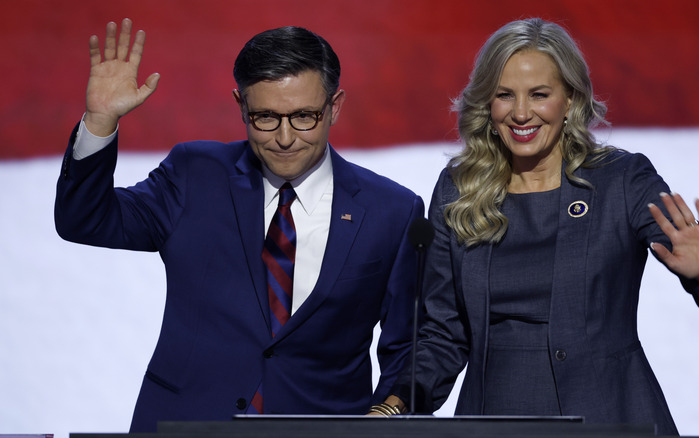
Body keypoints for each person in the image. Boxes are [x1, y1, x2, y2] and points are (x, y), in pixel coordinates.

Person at [377, 18, 699, 435]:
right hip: (493, 420)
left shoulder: (621, 179)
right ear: (488, 104)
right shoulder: (458, 189)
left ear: (569, 99)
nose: (520, 112)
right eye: (504, 95)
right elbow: (443, 334)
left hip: (609, 418)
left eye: (539, 95)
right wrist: (393, 406)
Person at [55, 18, 424, 432]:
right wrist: (99, 122)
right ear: (240, 105)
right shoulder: (195, 174)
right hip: (188, 424)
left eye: (304, 116)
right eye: (265, 117)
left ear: (334, 107)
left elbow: (408, 347)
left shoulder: (392, 210)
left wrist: (386, 418)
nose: (285, 137)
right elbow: (84, 220)